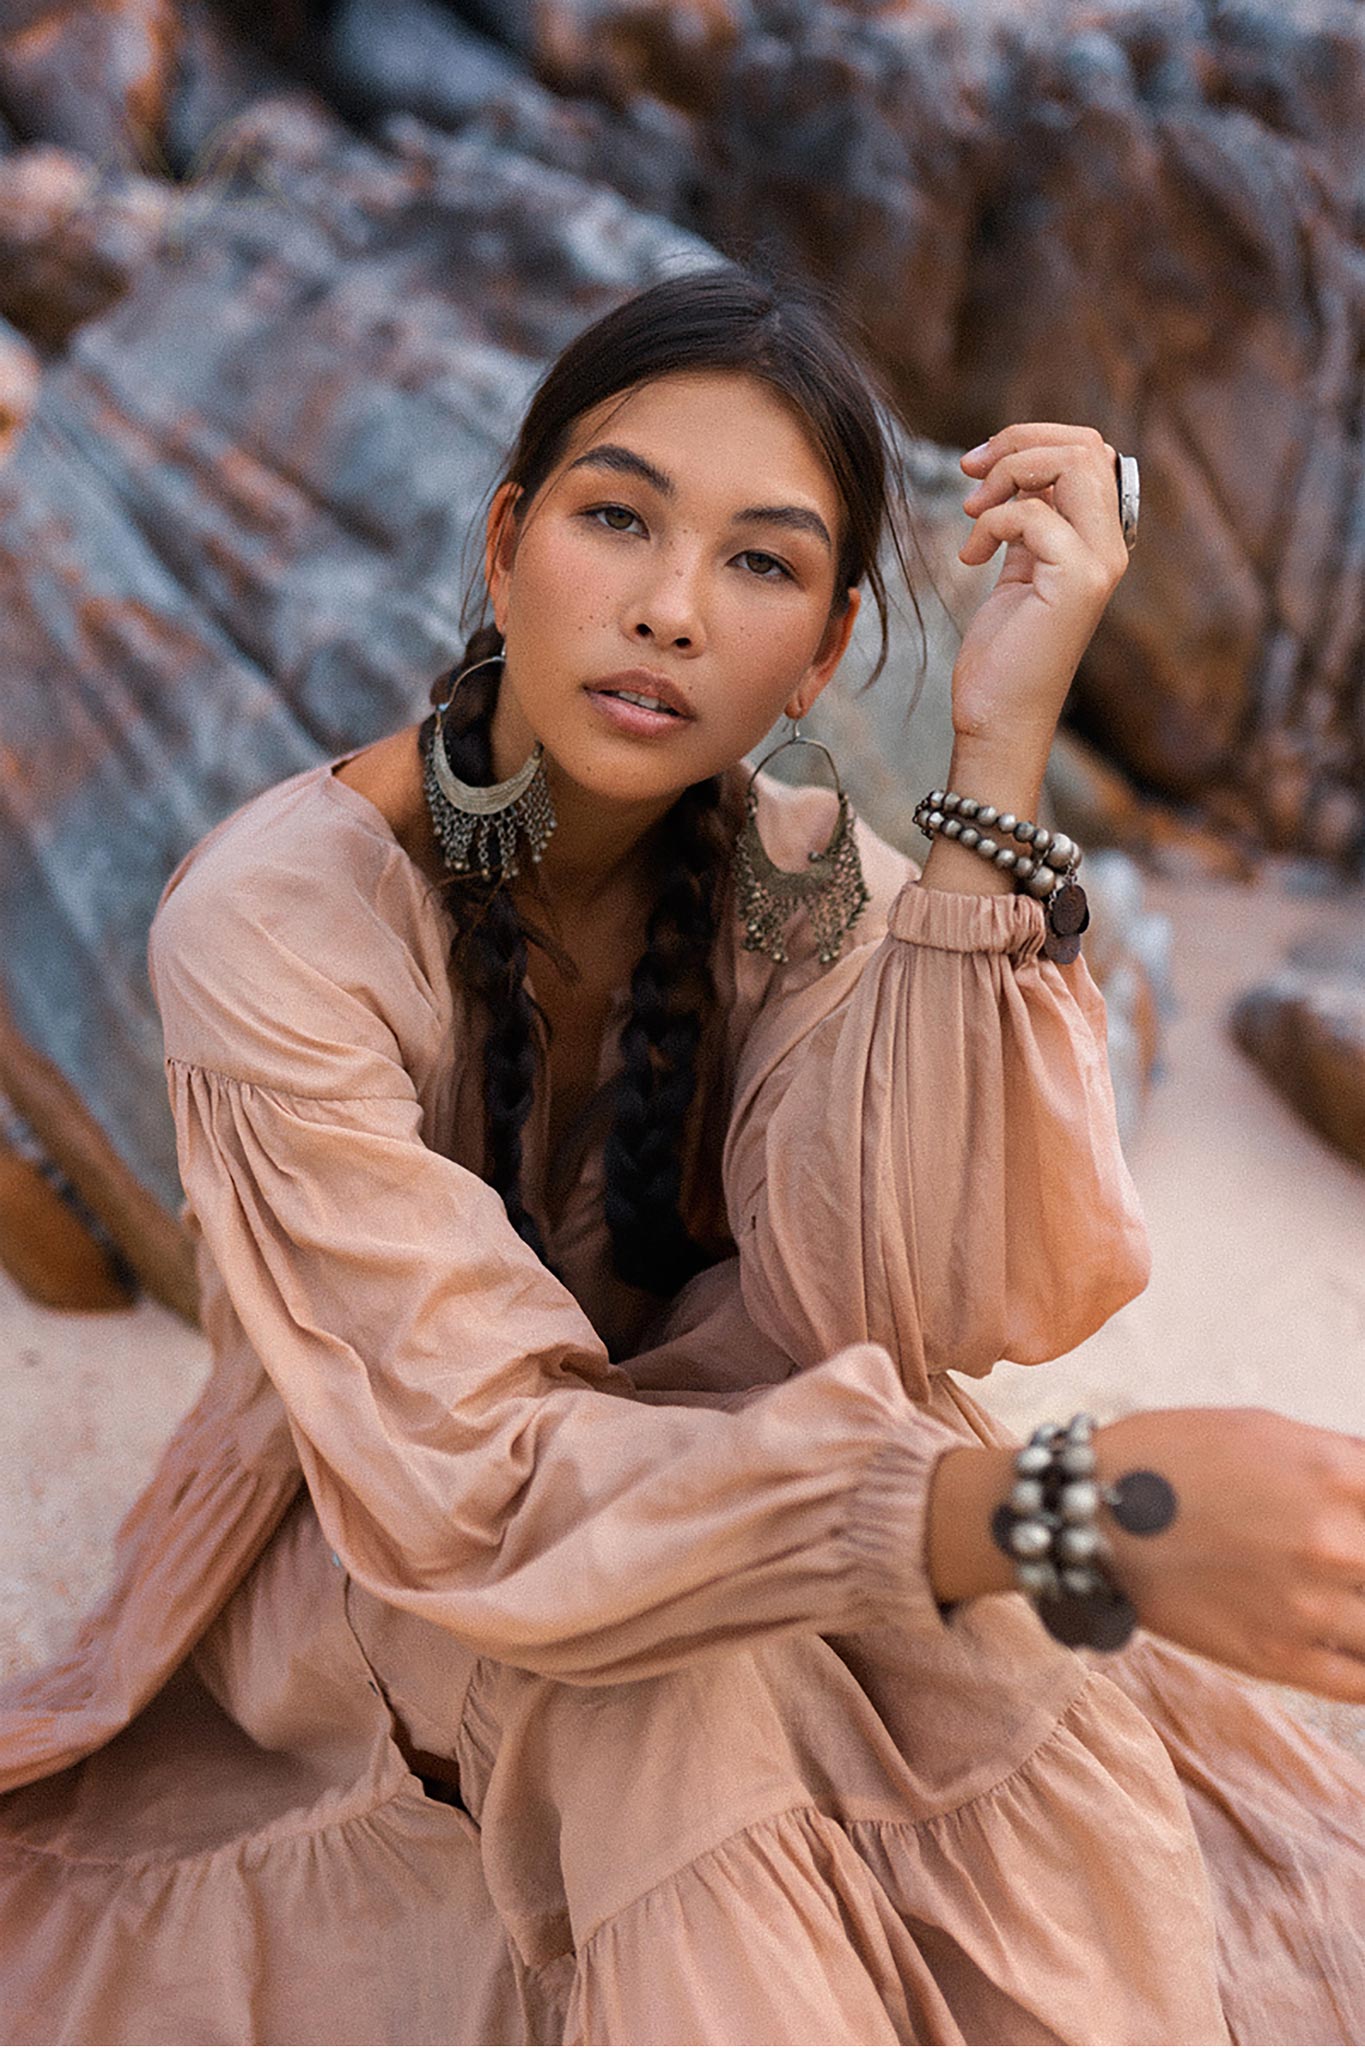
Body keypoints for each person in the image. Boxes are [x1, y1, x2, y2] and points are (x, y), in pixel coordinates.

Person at [2, 265, 1363, 2048]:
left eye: (760, 563)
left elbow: (904, 1297)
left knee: (972, 1654)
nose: (666, 608)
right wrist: (1047, 1516)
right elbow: (474, 1486)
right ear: (506, 545)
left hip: (735, 1476)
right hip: (385, 1540)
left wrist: (999, 735)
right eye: (617, 519)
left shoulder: (794, 875)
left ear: (820, 656)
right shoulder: (279, 918)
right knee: (674, 1700)